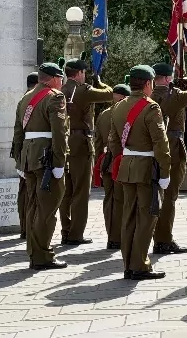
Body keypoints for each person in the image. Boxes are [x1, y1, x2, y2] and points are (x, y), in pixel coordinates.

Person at [107, 65, 172, 280]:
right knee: (146, 217)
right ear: (147, 84)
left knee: (129, 217)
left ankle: (128, 263)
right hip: (146, 169)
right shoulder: (151, 108)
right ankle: (140, 265)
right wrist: (165, 172)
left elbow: (114, 142)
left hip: (127, 167)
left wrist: (124, 160)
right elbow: (160, 144)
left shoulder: (118, 107)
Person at [11, 61, 69, 270]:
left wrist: (19, 160)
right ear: (53, 78)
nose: (61, 82)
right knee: (47, 208)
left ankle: (34, 252)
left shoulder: (25, 99)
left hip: (29, 157)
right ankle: (43, 255)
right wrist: (60, 161)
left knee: (33, 205)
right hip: (47, 157)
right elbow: (59, 133)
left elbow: (18, 133)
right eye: (60, 78)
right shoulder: (55, 97)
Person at [150, 63, 187, 255]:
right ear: (168, 79)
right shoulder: (174, 96)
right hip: (173, 147)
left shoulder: (149, 96)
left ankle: (154, 236)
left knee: (154, 194)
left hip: (151, 148)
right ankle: (164, 239)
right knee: (169, 196)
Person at [58, 58, 118, 246]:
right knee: (81, 191)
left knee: (66, 191)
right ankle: (76, 234)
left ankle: (66, 230)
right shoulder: (82, 90)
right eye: (84, 73)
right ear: (79, 73)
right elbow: (110, 94)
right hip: (81, 143)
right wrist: (99, 82)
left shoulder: (61, 90)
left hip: (65, 141)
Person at [95, 83, 131, 250]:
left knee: (108, 200)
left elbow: (97, 142)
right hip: (120, 161)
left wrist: (98, 164)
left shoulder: (103, 115)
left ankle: (111, 236)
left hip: (105, 161)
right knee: (120, 200)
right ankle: (118, 237)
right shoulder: (125, 114)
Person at [17, 71, 39, 241]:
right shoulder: (34, 100)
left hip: (23, 151)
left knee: (24, 192)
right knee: (29, 193)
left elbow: (17, 132)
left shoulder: (23, 100)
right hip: (32, 151)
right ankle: (27, 228)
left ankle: (24, 227)